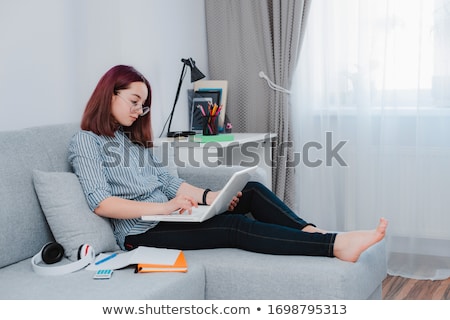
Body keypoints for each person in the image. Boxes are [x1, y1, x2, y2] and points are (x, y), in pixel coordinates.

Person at [68, 65, 388, 263]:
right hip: (141, 233)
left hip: (172, 215)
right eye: (134, 102)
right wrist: (165, 209)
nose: (140, 111)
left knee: (251, 190)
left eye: (144, 105)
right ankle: (334, 245)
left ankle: (309, 230)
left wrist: (213, 198)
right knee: (235, 227)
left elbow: (169, 184)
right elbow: (101, 203)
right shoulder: (87, 141)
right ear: (109, 94)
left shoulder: (135, 140)